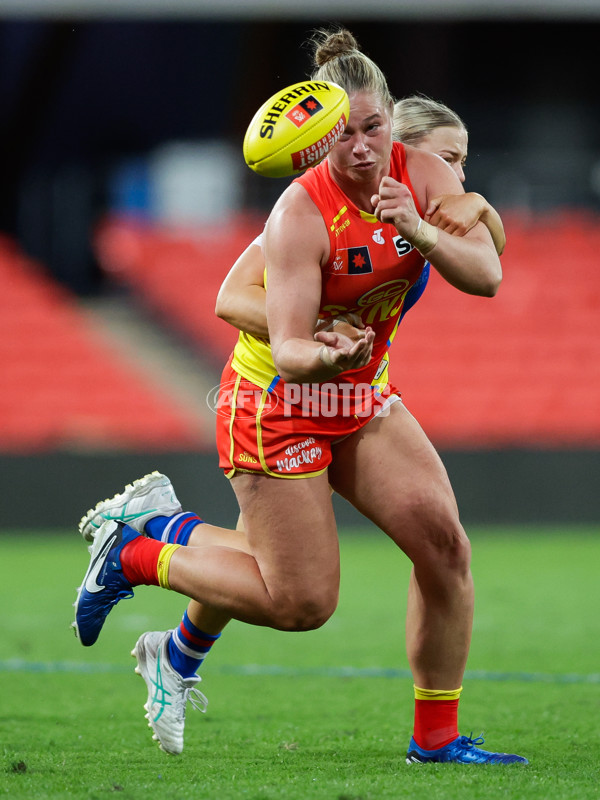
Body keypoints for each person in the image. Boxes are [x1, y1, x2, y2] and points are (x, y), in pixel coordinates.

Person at [73, 28, 528, 765]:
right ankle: (138, 550)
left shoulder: (420, 175)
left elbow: (487, 274)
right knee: (303, 603)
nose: (360, 146)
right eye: (341, 133)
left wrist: (423, 224)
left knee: (444, 549)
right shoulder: (299, 214)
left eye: (372, 127)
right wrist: (325, 345)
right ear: (318, 139)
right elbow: (282, 347)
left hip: (363, 397)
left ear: (392, 117)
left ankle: (435, 741)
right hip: (277, 404)